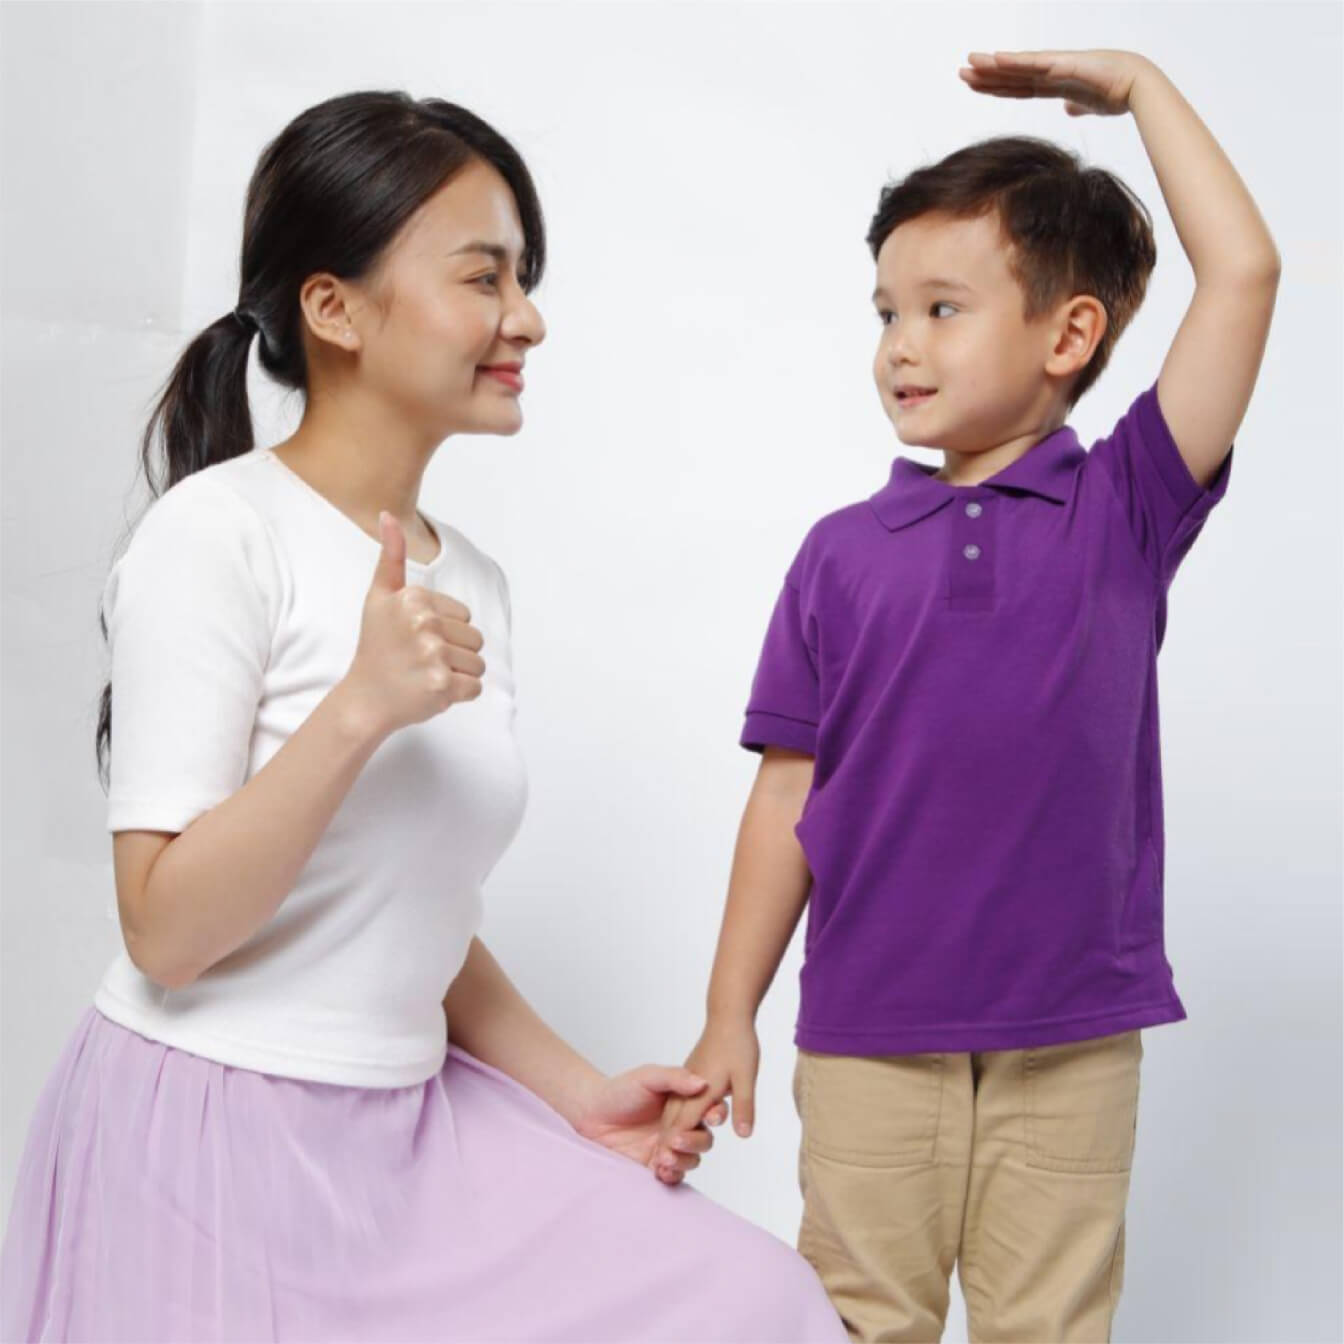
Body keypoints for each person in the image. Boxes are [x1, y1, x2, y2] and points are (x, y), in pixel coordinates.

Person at [0, 91, 847, 1344]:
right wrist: (358, 710)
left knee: (759, 1303)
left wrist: (579, 1096)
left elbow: (411, 910)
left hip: (403, 1139)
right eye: (484, 276)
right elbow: (166, 932)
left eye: (525, 277)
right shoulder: (215, 537)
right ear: (334, 309)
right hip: (213, 1141)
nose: (527, 317)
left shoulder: (473, 581)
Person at [659, 48, 1279, 1343]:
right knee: (858, 1321)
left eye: (943, 308)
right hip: (869, 1034)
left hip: (1072, 1040)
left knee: (1051, 1326)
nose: (900, 344)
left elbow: (1244, 274)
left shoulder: (1125, 507)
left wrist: (1142, 90)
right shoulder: (839, 555)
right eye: (887, 312)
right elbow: (785, 795)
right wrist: (729, 1014)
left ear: (1070, 335)